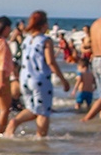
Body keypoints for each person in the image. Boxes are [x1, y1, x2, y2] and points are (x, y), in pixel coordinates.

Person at [5, 11, 70, 139]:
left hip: (25, 78)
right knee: (44, 112)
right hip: (40, 79)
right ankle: (41, 139)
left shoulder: (26, 40)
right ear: (44, 24)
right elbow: (50, 62)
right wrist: (63, 80)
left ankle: (14, 122)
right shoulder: (45, 40)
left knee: (32, 109)